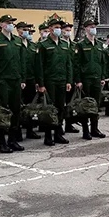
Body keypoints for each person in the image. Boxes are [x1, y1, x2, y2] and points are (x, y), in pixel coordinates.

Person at [0, 14, 26, 153]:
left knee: (16, 111)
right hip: (2, 80)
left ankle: (13, 140)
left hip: (15, 80)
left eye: (12, 23)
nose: (11, 25)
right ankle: (1, 142)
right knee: (1, 112)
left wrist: (22, 79)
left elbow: (21, 62)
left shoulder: (17, 41)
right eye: (8, 22)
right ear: (2, 24)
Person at [35, 18, 72, 146]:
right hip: (49, 81)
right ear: (50, 28)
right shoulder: (43, 45)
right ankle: (48, 136)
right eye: (56, 27)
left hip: (61, 80)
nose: (58, 30)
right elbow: (39, 66)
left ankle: (57, 134)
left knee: (60, 108)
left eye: (59, 27)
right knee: (50, 109)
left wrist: (69, 80)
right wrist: (41, 84)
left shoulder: (64, 44)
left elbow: (68, 64)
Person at [74, 19, 107, 140]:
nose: (94, 29)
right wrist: (78, 80)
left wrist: (102, 77)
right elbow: (76, 64)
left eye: (95, 26)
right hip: (85, 79)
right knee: (86, 105)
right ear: (85, 29)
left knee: (95, 105)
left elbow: (102, 62)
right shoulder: (81, 45)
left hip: (96, 78)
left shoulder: (99, 44)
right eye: (91, 26)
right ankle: (85, 131)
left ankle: (94, 129)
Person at [16, 21, 40, 141]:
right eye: (24, 29)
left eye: (27, 29)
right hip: (20, 80)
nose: (26, 31)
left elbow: (36, 64)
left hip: (31, 79)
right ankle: (18, 131)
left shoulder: (32, 46)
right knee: (19, 106)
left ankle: (30, 130)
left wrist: (37, 81)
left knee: (31, 106)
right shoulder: (15, 43)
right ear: (18, 30)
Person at [60, 21, 80, 133]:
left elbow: (76, 64)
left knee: (70, 103)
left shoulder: (73, 46)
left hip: (71, 78)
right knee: (60, 103)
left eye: (69, 30)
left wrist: (77, 80)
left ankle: (69, 124)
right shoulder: (60, 44)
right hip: (61, 78)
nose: (68, 32)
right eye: (65, 30)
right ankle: (59, 125)